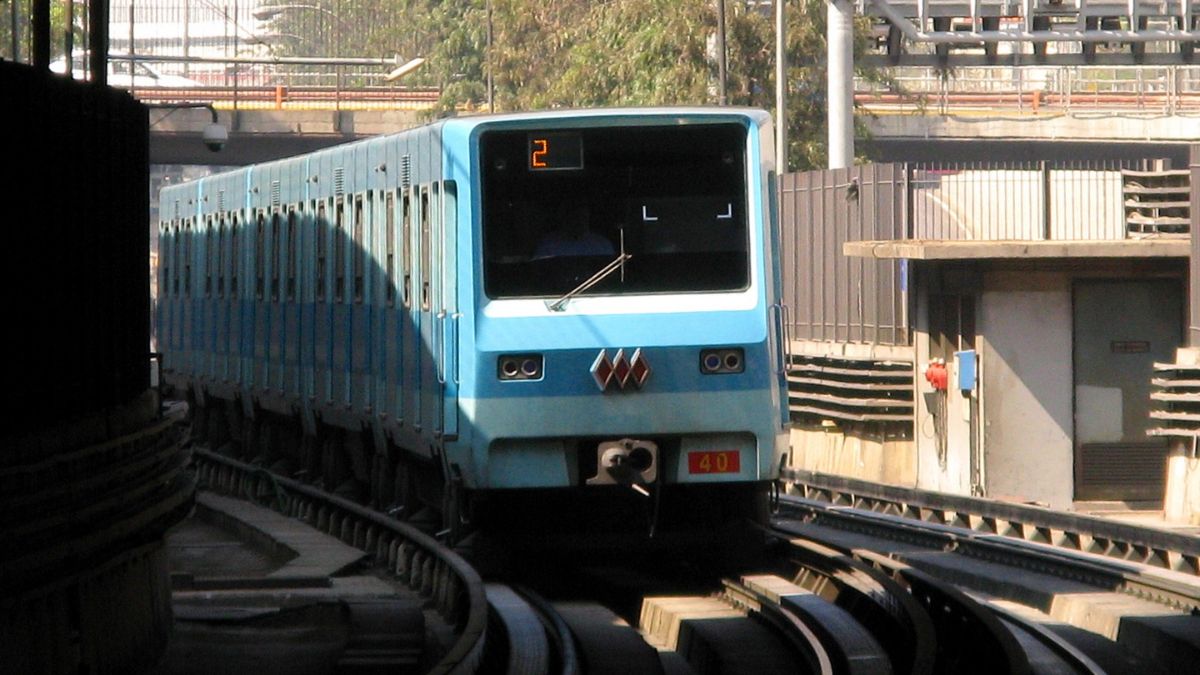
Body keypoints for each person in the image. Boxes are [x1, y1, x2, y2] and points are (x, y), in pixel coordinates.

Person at [534, 205, 614, 258]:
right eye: (574, 216)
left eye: (582, 216)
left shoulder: (602, 245)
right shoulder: (548, 245)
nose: (578, 221)